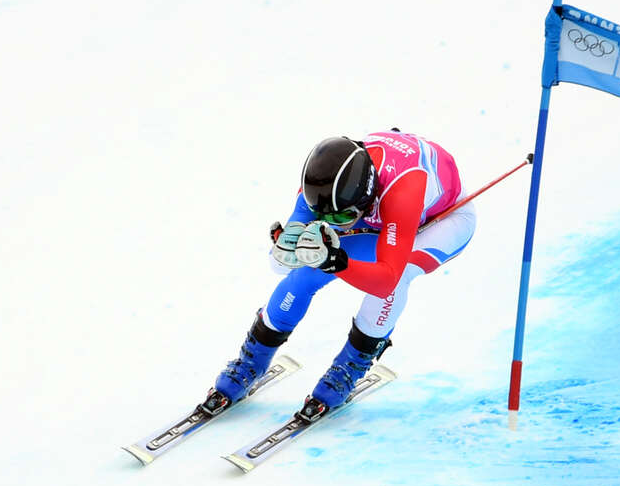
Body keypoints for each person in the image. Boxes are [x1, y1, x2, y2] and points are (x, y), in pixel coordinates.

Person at [203, 129, 476, 421]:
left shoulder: (402, 194)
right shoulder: (323, 182)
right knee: (306, 272)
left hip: (440, 221)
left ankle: (351, 365)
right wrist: (288, 246)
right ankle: (252, 360)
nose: (333, 223)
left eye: (341, 218)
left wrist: (336, 262)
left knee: (399, 275)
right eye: (323, 215)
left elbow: (385, 281)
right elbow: (291, 245)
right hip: (373, 214)